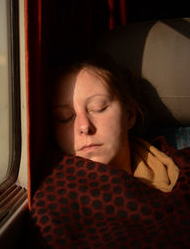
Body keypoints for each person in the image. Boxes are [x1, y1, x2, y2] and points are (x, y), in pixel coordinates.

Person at [30, 53, 190, 248]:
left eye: (98, 108)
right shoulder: (53, 201)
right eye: (65, 117)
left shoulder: (182, 166)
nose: (84, 126)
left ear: (130, 115)